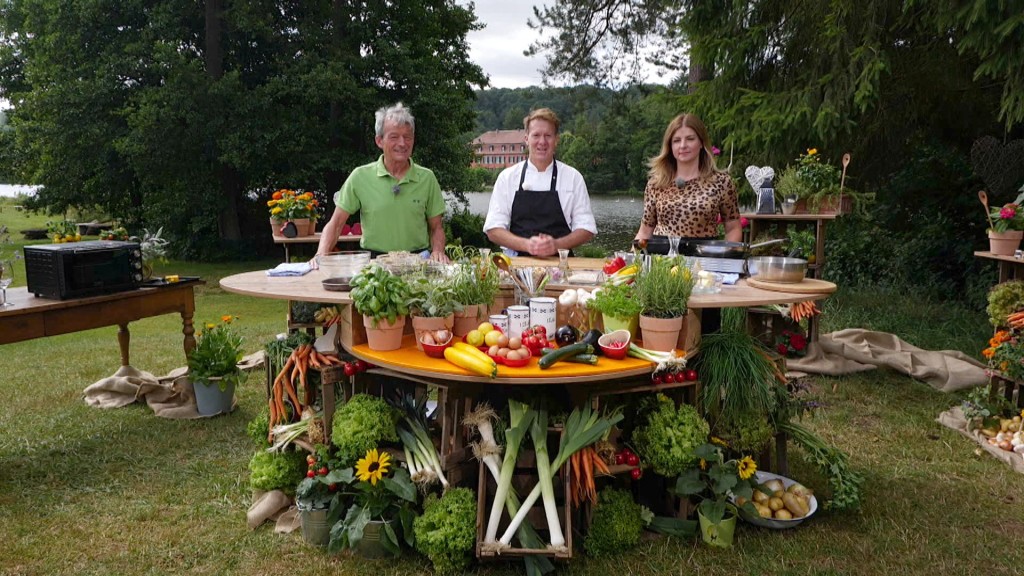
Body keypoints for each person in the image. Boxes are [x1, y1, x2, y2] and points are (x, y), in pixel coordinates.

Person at [311, 102, 449, 266]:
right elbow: (336, 224)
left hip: (418, 264)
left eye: (407, 137)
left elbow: (437, 228)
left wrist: (438, 251)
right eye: (394, 137)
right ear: (379, 141)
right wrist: (320, 255)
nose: (402, 143)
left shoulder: (427, 178)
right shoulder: (360, 177)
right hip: (373, 264)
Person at [483, 108, 597, 257]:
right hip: (516, 266)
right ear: (526, 139)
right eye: (536, 135)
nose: (542, 142)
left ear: (556, 139)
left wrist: (556, 245)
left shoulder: (573, 178)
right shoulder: (507, 178)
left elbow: (586, 228)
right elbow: (493, 229)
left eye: (548, 136)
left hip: (562, 266)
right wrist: (527, 245)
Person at [633, 113, 741, 247]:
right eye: (676, 140)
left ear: (701, 142)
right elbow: (645, 230)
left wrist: (726, 259)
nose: (683, 145)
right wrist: (631, 260)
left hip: (704, 258)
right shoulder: (656, 184)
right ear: (670, 146)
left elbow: (733, 228)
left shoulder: (722, 182)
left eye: (690, 139)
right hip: (661, 260)